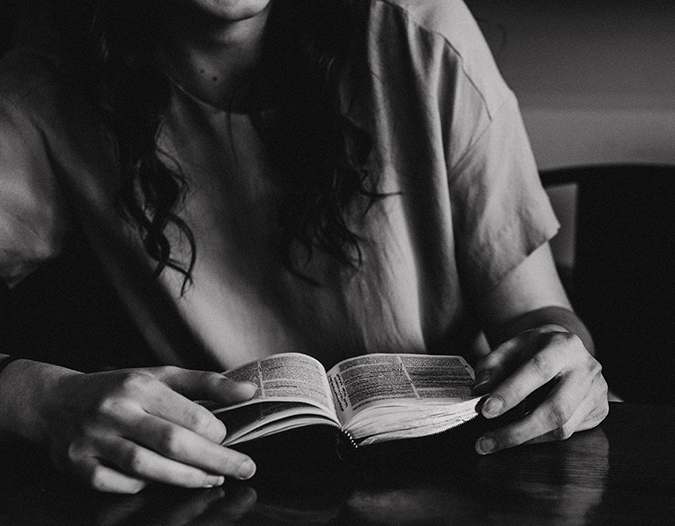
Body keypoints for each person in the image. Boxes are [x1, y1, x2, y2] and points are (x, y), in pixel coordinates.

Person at [0, 0, 609, 493]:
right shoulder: (45, 75)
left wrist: (565, 358)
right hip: (206, 495)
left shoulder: (420, 36)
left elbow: (538, 315)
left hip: (447, 480)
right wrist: (41, 398)